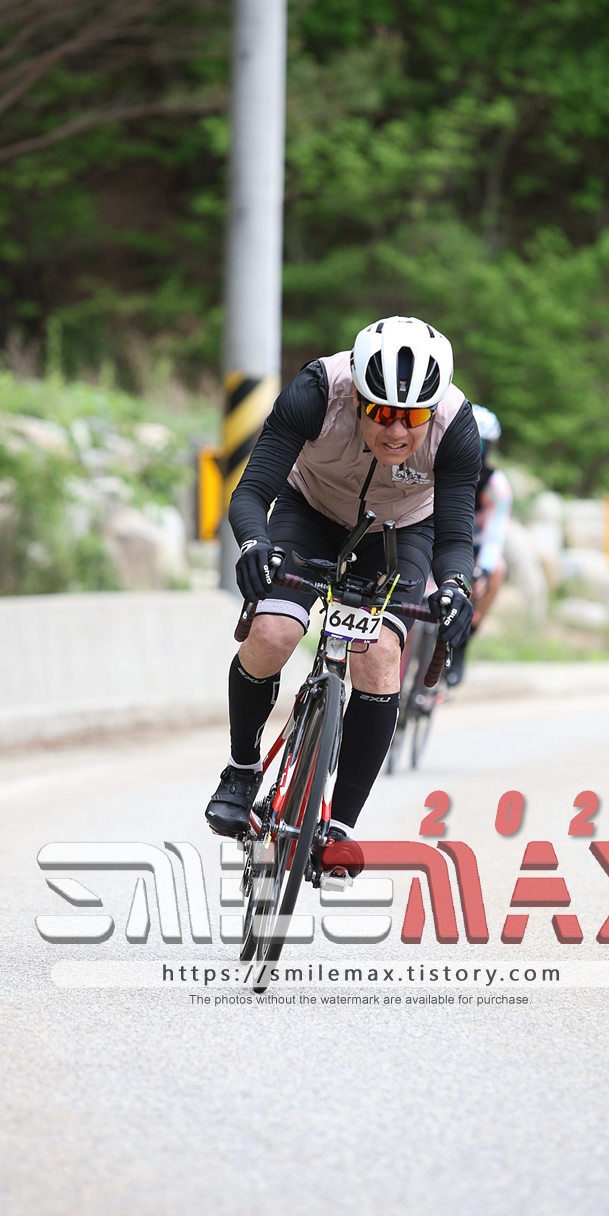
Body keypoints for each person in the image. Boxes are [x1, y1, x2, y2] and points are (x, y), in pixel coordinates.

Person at [204, 316, 481, 856]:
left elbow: (454, 535)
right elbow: (251, 491)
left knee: (379, 654)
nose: (396, 432)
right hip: (309, 511)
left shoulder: (455, 426)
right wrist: (254, 544)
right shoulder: (317, 392)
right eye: (382, 413)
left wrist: (454, 587)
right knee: (274, 631)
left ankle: (341, 827)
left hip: (401, 531)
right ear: (357, 397)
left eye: (412, 418)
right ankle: (241, 770)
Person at [444, 404, 512, 687]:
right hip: (439, 541)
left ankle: (463, 642)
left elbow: (496, 536)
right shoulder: (439, 467)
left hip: (474, 547)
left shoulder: (496, 486)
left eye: (480, 445)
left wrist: (483, 569)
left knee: (497, 570)